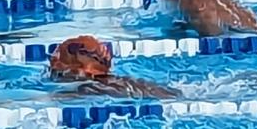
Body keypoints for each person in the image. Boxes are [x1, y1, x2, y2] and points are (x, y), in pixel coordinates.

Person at [49, 35, 180, 99]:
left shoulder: (88, 89)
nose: (53, 66)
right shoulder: (136, 83)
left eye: (58, 62)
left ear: (77, 68)